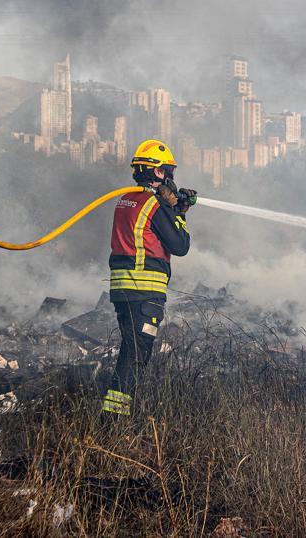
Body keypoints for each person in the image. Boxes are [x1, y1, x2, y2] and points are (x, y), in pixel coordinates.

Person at [102, 139, 195, 417]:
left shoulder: (127, 201)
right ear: (157, 172)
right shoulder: (153, 205)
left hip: (124, 291)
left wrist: (173, 207)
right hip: (145, 293)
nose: (170, 177)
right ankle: (113, 421)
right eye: (167, 171)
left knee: (130, 352)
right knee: (135, 357)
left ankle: (114, 416)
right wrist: (177, 213)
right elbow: (180, 245)